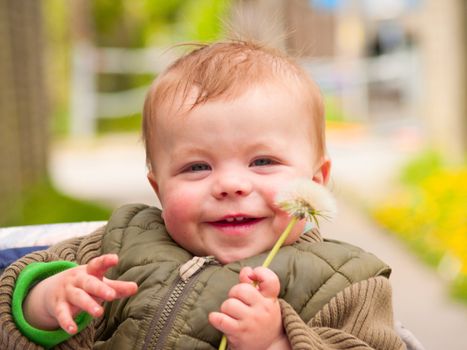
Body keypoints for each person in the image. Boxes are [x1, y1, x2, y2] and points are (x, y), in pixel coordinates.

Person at [0, 40, 405, 350]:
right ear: (158, 186)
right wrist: (47, 301)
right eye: (197, 167)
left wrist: (277, 341)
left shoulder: (348, 281)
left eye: (262, 161)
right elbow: (13, 288)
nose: (230, 184)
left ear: (317, 181)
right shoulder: (118, 245)